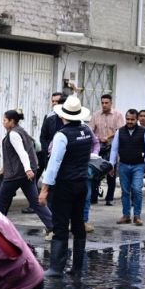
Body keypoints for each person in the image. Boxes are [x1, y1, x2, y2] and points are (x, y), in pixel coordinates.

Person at [38, 95, 95, 277]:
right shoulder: (86, 131)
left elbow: (54, 165)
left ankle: (56, 268)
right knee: (78, 224)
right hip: (81, 183)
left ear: (63, 116)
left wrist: (45, 189)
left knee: (60, 225)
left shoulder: (62, 135)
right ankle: (77, 267)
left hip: (64, 185)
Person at [0, 110, 53, 239]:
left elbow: (22, 153)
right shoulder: (20, 130)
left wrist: (27, 169)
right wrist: (5, 167)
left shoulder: (14, 134)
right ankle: (53, 227)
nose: (3, 122)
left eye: (5, 120)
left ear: (11, 121)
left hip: (17, 175)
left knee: (1, 203)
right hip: (24, 174)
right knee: (36, 202)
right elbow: (15, 154)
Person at [109, 109, 145, 226]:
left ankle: (137, 216)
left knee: (136, 190)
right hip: (123, 165)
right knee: (125, 191)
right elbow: (114, 149)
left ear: (137, 119)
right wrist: (111, 165)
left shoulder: (144, 132)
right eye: (128, 119)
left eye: (132, 119)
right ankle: (126, 216)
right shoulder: (120, 132)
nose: (130, 121)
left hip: (138, 166)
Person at [90, 94, 125, 206]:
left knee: (111, 172)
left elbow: (120, 131)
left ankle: (109, 198)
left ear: (111, 103)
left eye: (106, 103)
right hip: (98, 147)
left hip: (112, 147)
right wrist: (96, 138)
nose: (104, 105)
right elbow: (90, 130)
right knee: (95, 171)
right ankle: (93, 197)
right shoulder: (96, 115)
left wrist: (108, 137)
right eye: (102, 103)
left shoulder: (118, 115)